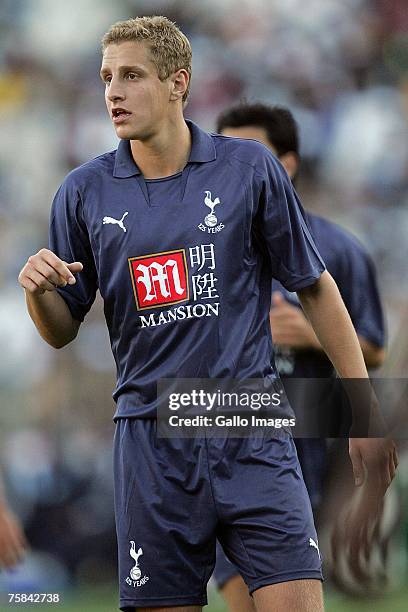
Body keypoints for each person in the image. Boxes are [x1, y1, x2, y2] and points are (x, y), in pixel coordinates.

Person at [17, 16, 397, 612]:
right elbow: (62, 330)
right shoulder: (82, 192)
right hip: (151, 438)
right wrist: (39, 293)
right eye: (106, 77)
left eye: (132, 76)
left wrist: (363, 411)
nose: (113, 92)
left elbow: (316, 286)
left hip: (251, 429)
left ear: (178, 83)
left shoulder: (248, 168)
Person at [213, 102, 387, 610]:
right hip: (224, 434)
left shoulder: (338, 249)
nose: (235, 165)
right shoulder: (206, 240)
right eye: (226, 152)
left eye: (251, 151)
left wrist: (312, 336)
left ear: (285, 164)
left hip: (308, 443)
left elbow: (374, 348)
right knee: (238, 594)